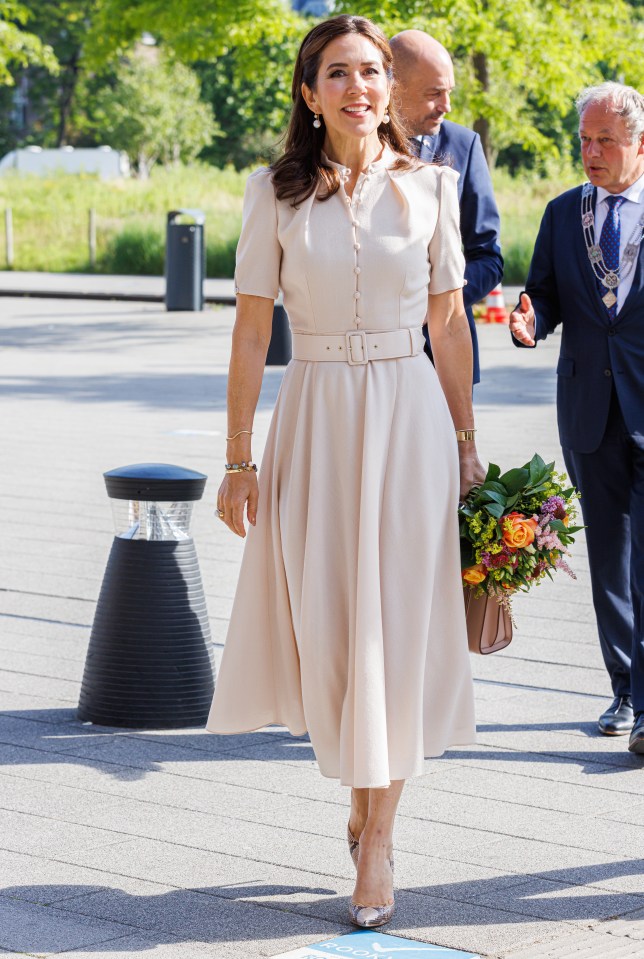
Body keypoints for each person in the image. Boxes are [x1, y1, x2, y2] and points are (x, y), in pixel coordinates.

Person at [206, 14, 484, 927]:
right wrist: (239, 458)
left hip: (409, 422)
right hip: (317, 415)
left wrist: (466, 440)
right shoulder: (273, 193)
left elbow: (448, 322)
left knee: (398, 628)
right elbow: (252, 331)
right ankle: (361, 800)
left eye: (371, 73)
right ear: (309, 90)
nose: (360, 88)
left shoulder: (434, 186)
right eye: (339, 73)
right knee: (332, 627)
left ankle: (379, 837)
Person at [510, 82, 644, 756]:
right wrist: (531, 316)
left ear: (639, 144)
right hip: (590, 411)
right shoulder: (565, 214)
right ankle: (626, 689)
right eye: (585, 141)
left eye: (606, 142)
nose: (591, 154)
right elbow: (544, 292)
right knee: (609, 558)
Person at [390, 29, 504, 385]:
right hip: (366, 360)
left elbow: (488, 257)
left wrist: (438, 302)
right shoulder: (351, 146)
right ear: (394, 89)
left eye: (449, 92)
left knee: (458, 443)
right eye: (434, 93)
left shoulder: (464, 145)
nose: (446, 105)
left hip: (443, 355)